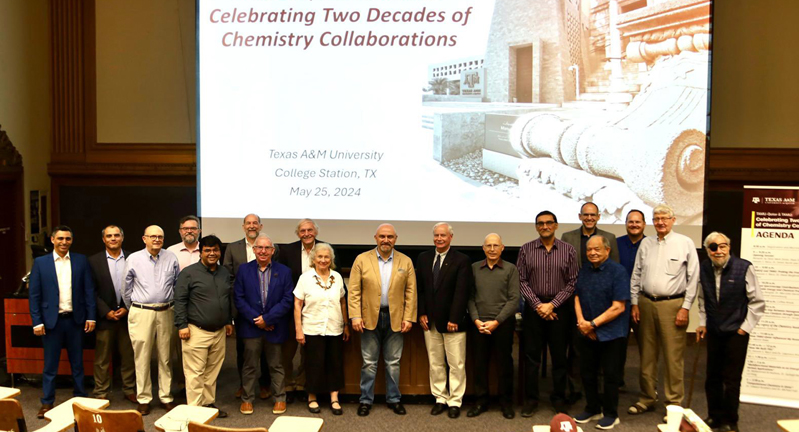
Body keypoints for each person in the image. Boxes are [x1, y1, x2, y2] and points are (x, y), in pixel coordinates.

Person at [628, 204, 699, 416]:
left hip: (673, 305)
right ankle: (647, 398)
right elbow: (636, 274)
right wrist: (634, 302)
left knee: (672, 357)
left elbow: (693, 279)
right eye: (656, 218)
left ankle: (673, 404)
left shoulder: (685, 243)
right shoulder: (646, 243)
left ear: (673, 220)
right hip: (646, 303)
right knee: (647, 356)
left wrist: (685, 308)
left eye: (664, 218)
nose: (660, 222)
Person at [696, 232, 765, 432]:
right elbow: (702, 299)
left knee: (732, 380)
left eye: (722, 246)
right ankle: (714, 416)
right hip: (715, 330)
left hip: (736, 332)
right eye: (713, 247)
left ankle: (730, 421)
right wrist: (702, 323)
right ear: (708, 250)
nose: (718, 251)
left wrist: (744, 328)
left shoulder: (744, 267)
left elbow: (757, 302)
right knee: (712, 377)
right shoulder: (704, 268)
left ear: (729, 247)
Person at [349, 223, 417, 417]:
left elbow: (411, 292)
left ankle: (394, 399)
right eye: (382, 236)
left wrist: (409, 318)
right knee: (369, 362)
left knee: (393, 362)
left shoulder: (406, 261)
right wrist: (355, 315)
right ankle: (365, 400)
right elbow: (354, 290)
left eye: (390, 237)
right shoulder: (362, 259)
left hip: (396, 318)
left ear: (396, 239)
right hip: (368, 317)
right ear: (375, 238)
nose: (386, 240)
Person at [29, 226, 96, 418]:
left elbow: (88, 290)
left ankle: (80, 399)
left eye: (67, 239)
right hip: (51, 323)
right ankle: (47, 402)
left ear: (72, 241)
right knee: (50, 366)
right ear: (52, 240)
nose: (64, 242)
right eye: (60, 239)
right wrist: (37, 321)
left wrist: (91, 316)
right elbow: (34, 295)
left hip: (75, 321)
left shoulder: (81, 260)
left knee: (77, 364)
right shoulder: (41, 263)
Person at [517, 211, 579, 417]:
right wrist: (538, 305)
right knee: (531, 357)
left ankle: (559, 398)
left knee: (560, 357)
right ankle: (532, 400)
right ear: (536, 227)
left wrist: (552, 305)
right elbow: (521, 281)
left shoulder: (568, 250)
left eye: (548, 223)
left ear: (556, 225)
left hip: (560, 311)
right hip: (534, 311)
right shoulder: (526, 250)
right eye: (540, 223)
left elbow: (572, 282)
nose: (545, 226)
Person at [560, 202, 619, 404]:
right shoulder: (568, 237)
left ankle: (600, 390)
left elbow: (614, 268)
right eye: (586, 215)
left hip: (602, 303)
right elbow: (564, 270)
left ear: (599, 216)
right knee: (576, 348)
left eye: (593, 215)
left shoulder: (608, 238)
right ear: (579, 216)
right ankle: (575, 389)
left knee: (601, 346)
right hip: (575, 301)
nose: (589, 218)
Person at [573, 236, 630, 430]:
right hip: (587, 330)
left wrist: (593, 324)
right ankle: (592, 408)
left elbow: (619, 307)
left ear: (607, 250)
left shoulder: (618, 272)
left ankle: (611, 414)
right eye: (589, 250)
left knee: (611, 375)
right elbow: (577, 296)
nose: (592, 253)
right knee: (588, 373)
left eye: (597, 249)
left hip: (612, 332)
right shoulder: (585, 270)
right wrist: (582, 323)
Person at [174, 235, 234, 417]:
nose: (212, 253)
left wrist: (228, 321)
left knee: (212, 371)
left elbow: (227, 299)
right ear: (201, 252)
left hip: (219, 331)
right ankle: (194, 410)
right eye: (207, 250)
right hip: (195, 331)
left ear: (219, 252)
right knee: (195, 373)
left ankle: (207, 404)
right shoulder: (189, 273)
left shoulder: (224, 272)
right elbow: (180, 300)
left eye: (215, 250)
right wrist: (182, 325)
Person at [233, 234, 294, 415]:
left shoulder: (284, 271)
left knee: (276, 365)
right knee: (249, 365)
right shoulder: (243, 270)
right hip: (251, 328)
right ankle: (247, 399)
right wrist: (258, 319)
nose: (263, 251)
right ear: (253, 250)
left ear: (273, 251)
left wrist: (268, 319)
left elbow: (287, 299)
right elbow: (239, 298)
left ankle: (280, 398)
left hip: (274, 327)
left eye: (267, 248)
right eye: (259, 247)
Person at [417, 222, 472, 418]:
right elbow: (421, 289)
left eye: (443, 235)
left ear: (451, 238)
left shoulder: (461, 260)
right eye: (436, 235)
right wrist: (421, 313)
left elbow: (462, 291)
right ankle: (440, 398)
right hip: (429, 322)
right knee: (436, 362)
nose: (439, 238)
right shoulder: (424, 258)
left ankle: (455, 401)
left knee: (456, 363)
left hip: (453, 323)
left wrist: (454, 318)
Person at [124, 225, 180, 415]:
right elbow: (126, 289)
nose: (157, 239)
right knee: (142, 357)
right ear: (144, 238)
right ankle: (144, 398)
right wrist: (136, 307)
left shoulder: (171, 257)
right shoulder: (134, 259)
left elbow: (176, 284)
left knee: (165, 357)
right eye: (153, 236)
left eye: (160, 237)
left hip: (166, 311)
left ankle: (166, 397)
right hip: (141, 312)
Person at [467, 233, 519, 420]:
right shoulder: (474, 268)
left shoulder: (511, 269)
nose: (492, 249)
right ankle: (481, 401)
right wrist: (476, 320)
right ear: (483, 248)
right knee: (479, 364)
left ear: (502, 248)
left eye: (496, 245)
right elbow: (470, 297)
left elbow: (514, 299)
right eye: (488, 245)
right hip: (479, 324)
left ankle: (506, 403)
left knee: (504, 365)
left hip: (502, 324)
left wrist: (496, 321)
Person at [293, 243, 350, 415]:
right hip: (312, 328)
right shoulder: (305, 278)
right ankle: (312, 397)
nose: (323, 260)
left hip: (335, 327)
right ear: (314, 259)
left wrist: (346, 325)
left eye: (327, 257)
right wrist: (298, 329)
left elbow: (342, 301)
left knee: (335, 363)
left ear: (331, 260)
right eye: (320, 257)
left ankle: (334, 398)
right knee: (314, 364)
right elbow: (297, 304)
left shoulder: (338, 277)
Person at [276, 218, 327, 403]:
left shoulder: (324, 249)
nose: (307, 233)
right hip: (291, 308)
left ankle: (304, 384)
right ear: (298, 233)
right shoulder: (287, 250)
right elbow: (280, 278)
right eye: (303, 230)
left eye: (310, 230)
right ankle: (288, 385)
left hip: (316, 309)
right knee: (288, 349)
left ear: (316, 232)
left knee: (310, 351)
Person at [224, 213, 271, 400]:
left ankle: (265, 384)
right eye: (248, 223)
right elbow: (227, 276)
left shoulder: (269, 246)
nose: (252, 226)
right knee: (243, 349)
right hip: (242, 306)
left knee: (267, 349)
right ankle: (244, 385)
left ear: (260, 226)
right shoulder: (232, 248)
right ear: (243, 227)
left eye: (255, 223)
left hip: (266, 306)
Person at [89, 225, 136, 405]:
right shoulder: (93, 261)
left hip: (127, 315)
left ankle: (129, 389)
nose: (113, 238)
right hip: (105, 316)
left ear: (122, 238)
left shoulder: (133, 258)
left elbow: (138, 285)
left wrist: (126, 307)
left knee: (128, 356)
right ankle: (101, 391)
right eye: (109, 236)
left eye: (117, 235)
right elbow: (90, 290)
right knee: (102, 358)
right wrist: (105, 311)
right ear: (104, 239)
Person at [615, 209, 646, 388]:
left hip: (643, 302)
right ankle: (616, 382)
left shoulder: (651, 244)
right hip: (619, 302)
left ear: (644, 224)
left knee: (646, 348)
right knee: (618, 345)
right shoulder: (616, 243)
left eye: (637, 222)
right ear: (626, 223)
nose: (634, 225)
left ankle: (648, 387)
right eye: (630, 221)